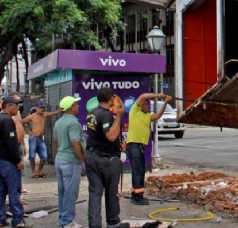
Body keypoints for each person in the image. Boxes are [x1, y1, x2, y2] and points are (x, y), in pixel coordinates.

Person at [85, 87, 129, 228]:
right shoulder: (106, 115)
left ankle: (94, 224)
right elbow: (110, 136)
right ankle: (113, 222)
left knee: (95, 193)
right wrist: (120, 116)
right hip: (106, 159)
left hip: (92, 156)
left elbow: (100, 134)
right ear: (110, 99)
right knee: (111, 193)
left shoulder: (91, 114)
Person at [126, 93, 173, 205]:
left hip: (139, 146)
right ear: (141, 106)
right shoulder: (135, 111)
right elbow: (142, 96)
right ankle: (137, 197)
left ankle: (138, 194)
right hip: (134, 145)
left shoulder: (147, 116)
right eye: (147, 105)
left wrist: (165, 103)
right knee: (138, 171)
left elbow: (157, 116)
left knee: (140, 171)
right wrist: (158, 95)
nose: (148, 107)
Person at [0, 96, 30, 228]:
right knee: (14, 190)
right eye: (16, 106)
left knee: (1, 190)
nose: (18, 108)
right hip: (8, 161)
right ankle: (18, 219)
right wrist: (17, 160)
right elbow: (11, 142)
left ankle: (0, 219)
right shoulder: (7, 120)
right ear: (8, 106)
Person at [53, 96, 85, 228]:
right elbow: (75, 143)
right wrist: (82, 159)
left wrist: (61, 152)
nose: (78, 106)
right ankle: (67, 221)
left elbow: (56, 142)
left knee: (63, 191)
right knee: (71, 192)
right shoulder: (73, 123)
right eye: (76, 104)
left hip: (60, 159)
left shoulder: (59, 122)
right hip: (71, 161)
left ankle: (63, 219)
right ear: (71, 107)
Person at [21, 101, 61, 178]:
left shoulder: (44, 115)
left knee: (44, 156)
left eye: (42, 107)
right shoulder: (32, 116)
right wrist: (27, 131)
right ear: (36, 108)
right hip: (33, 138)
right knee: (32, 156)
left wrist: (61, 110)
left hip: (40, 138)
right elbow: (21, 122)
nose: (41, 109)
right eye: (40, 107)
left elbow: (53, 113)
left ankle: (39, 171)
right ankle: (33, 172)